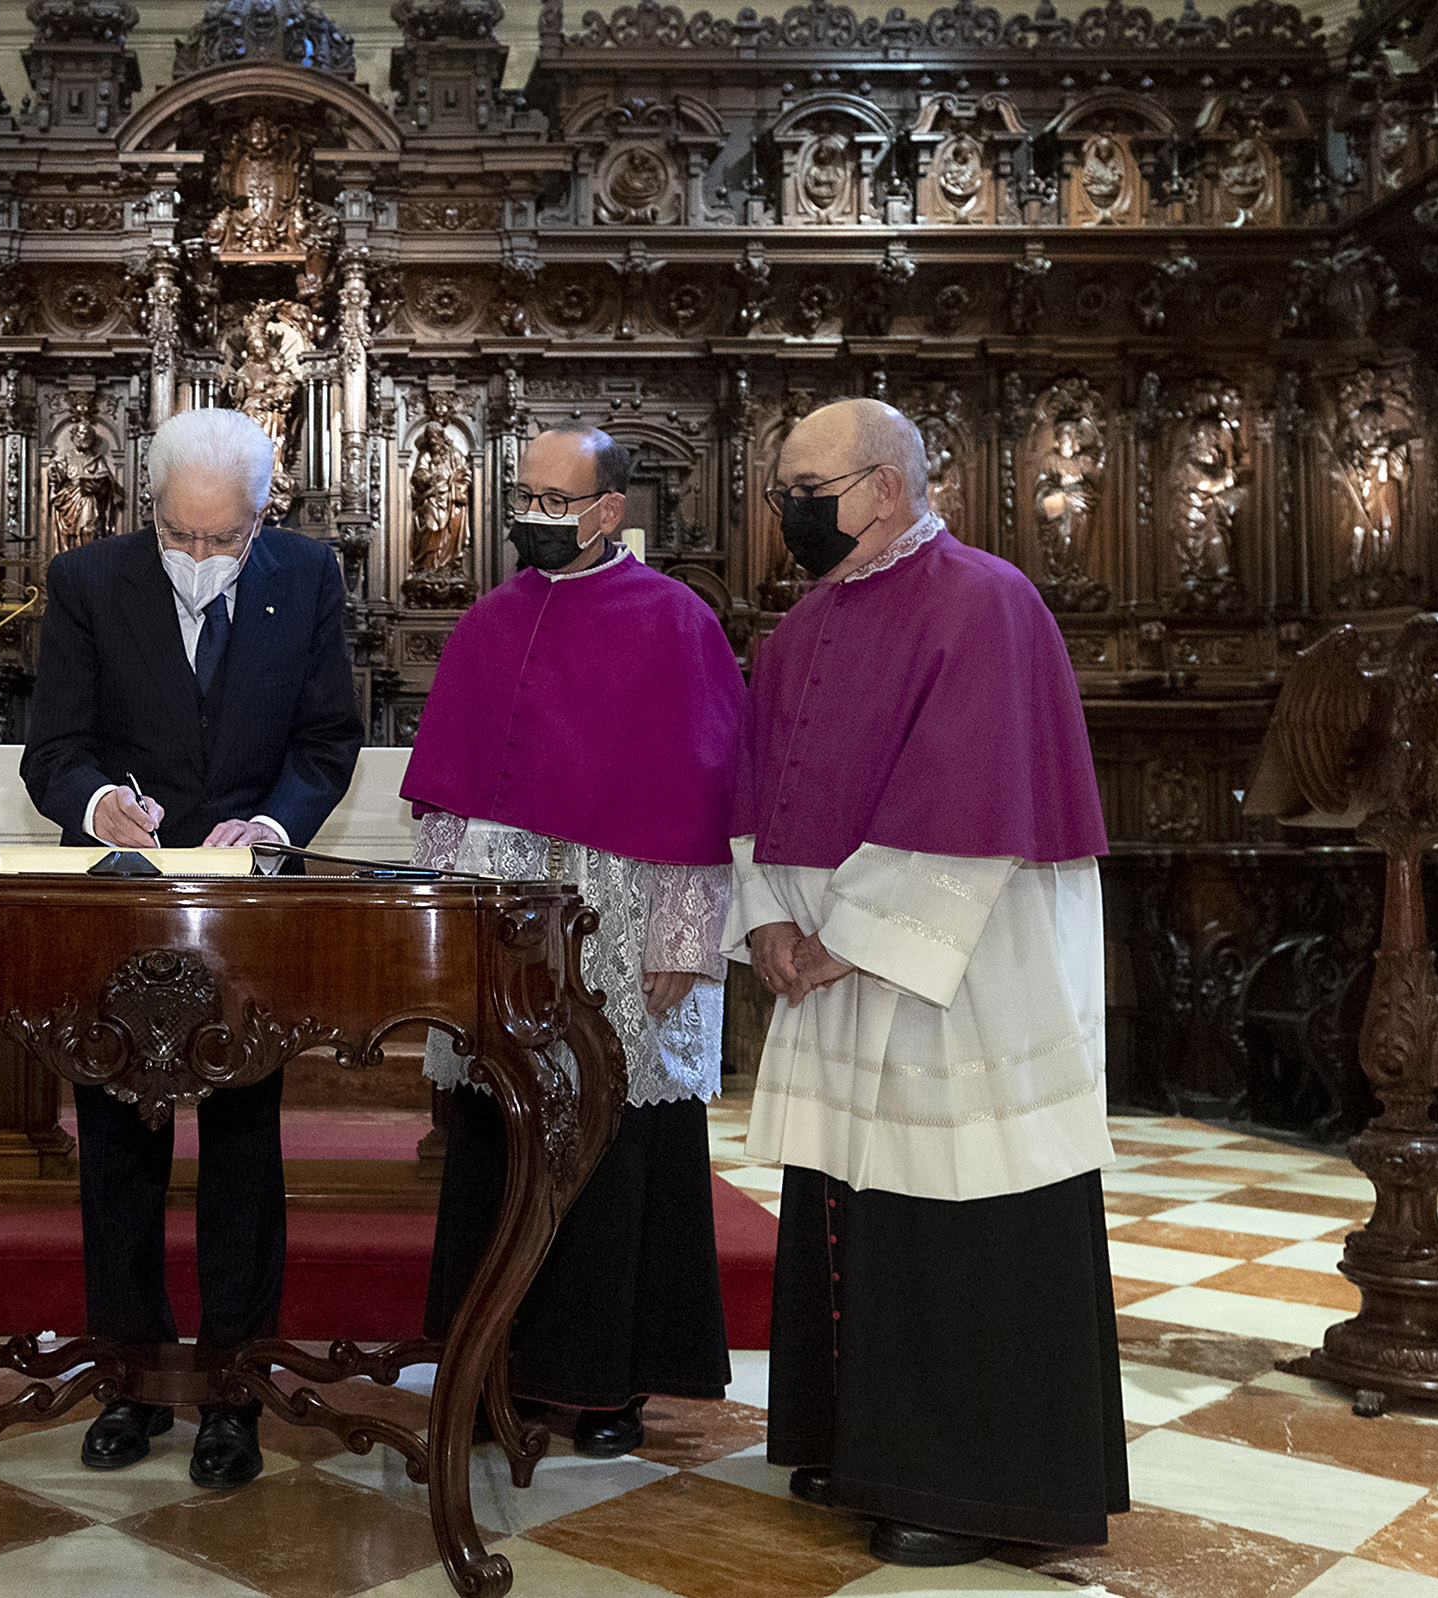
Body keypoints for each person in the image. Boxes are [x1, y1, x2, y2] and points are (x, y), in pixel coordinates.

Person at [724, 397, 1126, 1566]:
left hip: (962, 971)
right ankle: (860, 1444)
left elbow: (970, 793)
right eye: (781, 494)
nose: (788, 514)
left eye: (806, 492)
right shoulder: (803, 623)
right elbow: (756, 787)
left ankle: (975, 1484)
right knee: (857, 1198)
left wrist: (848, 936)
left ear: (884, 487)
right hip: (837, 968)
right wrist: (767, 920)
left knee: (959, 1202)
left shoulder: (983, 599)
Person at [20, 406, 362, 1489]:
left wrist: (274, 824)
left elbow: (327, 739)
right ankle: (130, 1375)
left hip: (246, 906)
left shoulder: (307, 575)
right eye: (180, 534)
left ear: (263, 516)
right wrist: (96, 803)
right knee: (118, 1141)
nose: (201, 555)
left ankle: (232, 1385)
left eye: (223, 537)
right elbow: (53, 750)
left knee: (244, 1143)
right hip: (123, 901)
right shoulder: (87, 580)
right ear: (150, 507)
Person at [406, 423, 745, 1457]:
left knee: (616, 1144)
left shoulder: (676, 620)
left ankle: (605, 1383)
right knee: (497, 1138)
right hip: (503, 920)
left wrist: (681, 943)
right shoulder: (489, 619)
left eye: (556, 501)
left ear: (609, 510)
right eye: (525, 496)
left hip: (624, 919)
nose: (533, 516)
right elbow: (443, 799)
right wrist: (449, 922)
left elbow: (704, 797)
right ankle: (488, 1367)